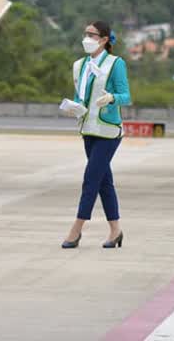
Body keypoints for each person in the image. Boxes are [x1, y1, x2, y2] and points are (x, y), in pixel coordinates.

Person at [62, 20, 131, 249]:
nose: (87, 38)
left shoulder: (115, 64)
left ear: (103, 40)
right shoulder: (79, 65)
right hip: (88, 129)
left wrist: (112, 98)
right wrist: (74, 107)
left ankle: (76, 229)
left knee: (91, 179)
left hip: (108, 131)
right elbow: (80, 95)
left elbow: (126, 95)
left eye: (92, 35)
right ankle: (116, 231)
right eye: (86, 34)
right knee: (104, 182)